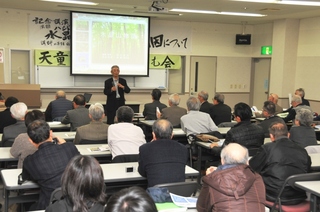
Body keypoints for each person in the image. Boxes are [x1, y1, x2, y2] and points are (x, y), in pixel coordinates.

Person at [22, 120, 80, 210]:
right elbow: (82, 165)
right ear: (51, 133)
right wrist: (65, 144)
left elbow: (27, 177)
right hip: (78, 201)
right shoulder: (70, 147)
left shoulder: (29, 161)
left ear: (31, 141)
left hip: (50, 205)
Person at [249, 122, 311, 205]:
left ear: (271, 136)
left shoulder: (267, 148)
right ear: (288, 135)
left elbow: (252, 167)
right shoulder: (302, 150)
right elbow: (307, 169)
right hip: (299, 195)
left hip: (274, 195)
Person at [197, 143, 265, 212]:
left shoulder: (212, 180)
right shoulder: (257, 178)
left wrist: (211, 177)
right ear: (247, 162)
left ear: (222, 161)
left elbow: (202, 208)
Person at [138, 119, 188, 187]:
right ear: (172, 135)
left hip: (156, 194)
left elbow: (142, 172)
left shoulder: (144, 149)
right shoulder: (183, 149)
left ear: (153, 135)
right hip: (178, 193)